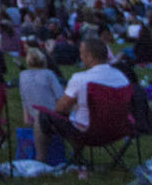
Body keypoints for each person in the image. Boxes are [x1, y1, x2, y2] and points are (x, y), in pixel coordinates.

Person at [33, 35, 130, 164]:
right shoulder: (121, 77)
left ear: (90, 56)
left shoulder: (81, 78)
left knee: (43, 115)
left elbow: (60, 108)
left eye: (82, 54)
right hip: (118, 131)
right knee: (80, 112)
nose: (81, 57)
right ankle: (77, 158)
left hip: (89, 133)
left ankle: (41, 160)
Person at [15, 46, 64, 128]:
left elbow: (24, 99)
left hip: (33, 116)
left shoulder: (22, 75)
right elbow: (60, 96)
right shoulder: (49, 74)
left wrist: (26, 120)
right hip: (50, 115)